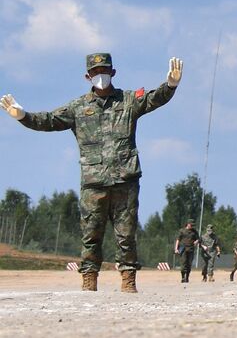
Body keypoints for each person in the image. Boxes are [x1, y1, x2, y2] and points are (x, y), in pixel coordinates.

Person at [0, 53, 182, 293]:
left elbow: (154, 99)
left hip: (125, 181)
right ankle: (89, 281)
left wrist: (171, 84)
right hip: (93, 183)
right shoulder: (78, 108)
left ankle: (128, 281)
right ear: (88, 76)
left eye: (104, 70)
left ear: (113, 72)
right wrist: (23, 116)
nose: (100, 76)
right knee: (91, 235)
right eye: (95, 72)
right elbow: (48, 120)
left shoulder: (128, 101)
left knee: (126, 235)